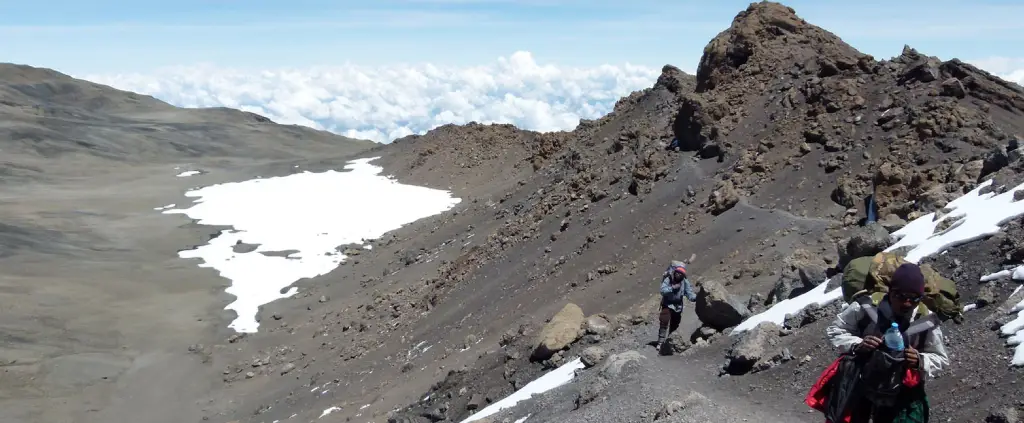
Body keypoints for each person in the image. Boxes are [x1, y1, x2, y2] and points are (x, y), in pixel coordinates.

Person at [824, 262, 950, 422]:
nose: (906, 303)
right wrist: (857, 344)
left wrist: (919, 360)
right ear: (890, 292)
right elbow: (836, 329)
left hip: (903, 396)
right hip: (859, 386)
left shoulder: (926, 321)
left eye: (914, 299)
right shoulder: (866, 307)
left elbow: (940, 358)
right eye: (900, 296)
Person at [656, 262, 696, 353]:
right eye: (677, 272)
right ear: (674, 272)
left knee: (675, 324)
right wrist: (672, 288)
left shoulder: (684, 282)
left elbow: (689, 293)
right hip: (667, 303)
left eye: (680, 274)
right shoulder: (669, 279)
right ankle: (660, 342)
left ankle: (670, 342)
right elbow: (662, 290)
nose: (678, 274)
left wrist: (695, 298)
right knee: (664, 319)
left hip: (678, 306)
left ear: (683, 276)